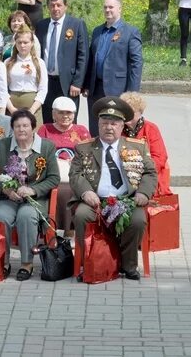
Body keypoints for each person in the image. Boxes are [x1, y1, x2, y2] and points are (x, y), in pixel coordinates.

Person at [67, 97, 154, 280]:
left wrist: (143, 193)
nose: (109, 127)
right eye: (105, 123)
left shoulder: (136, 147)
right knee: (82, 215)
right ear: (98, 124)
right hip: (96, 201)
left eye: (114, 123)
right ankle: (87, 264)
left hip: (127, 200)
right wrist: (86, 192)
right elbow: (75, 174)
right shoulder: (85, 148)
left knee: (138, 220)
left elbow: (150, 172)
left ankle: (128, 265)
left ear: (122, 126)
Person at [0, 110, 58, 281]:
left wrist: (33, 190)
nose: (21, 129)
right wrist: (5, 190)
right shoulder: (4, 145)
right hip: (9, 197)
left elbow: (54, 178)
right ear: (12, 129)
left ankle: (27, 263)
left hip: (34, 199)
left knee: (26, 216)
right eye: (17, 126)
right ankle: (3, 262)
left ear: (33, 128)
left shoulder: (46, 146)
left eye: (25, 125)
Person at [83, 0, 142, 130]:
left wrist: (132, 94)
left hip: (117, 89)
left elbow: (136, 63)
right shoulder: (97, 31)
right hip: (95, 89)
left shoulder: (130, 32)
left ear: (119, 9)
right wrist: (86, 85)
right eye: (105, 7)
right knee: (95, 126)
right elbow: (92, 59)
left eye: (111, 7)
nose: (107, 10)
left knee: (115, 127)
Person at [36, 0, 89, 112]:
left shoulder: (76, 24)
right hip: (46, 82)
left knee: (68, 119)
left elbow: (83, 56)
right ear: (48, 8)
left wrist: (77, 83)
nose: (55, 8)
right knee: (48, 118)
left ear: (65, 6)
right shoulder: (41, 26)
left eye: (59, 5)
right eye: (52, 5)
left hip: (68, 83)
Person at [4, 19, 49, 116]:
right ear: (15, 43)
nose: (22, 45)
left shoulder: (39, 63)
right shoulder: (8, 62)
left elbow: (43, 89)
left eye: (25, 42)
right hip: (12, 106)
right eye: (19, 42)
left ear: (32, 43)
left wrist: (32, 110)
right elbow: (2, 88)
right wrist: (11, 109)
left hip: (33, 106)